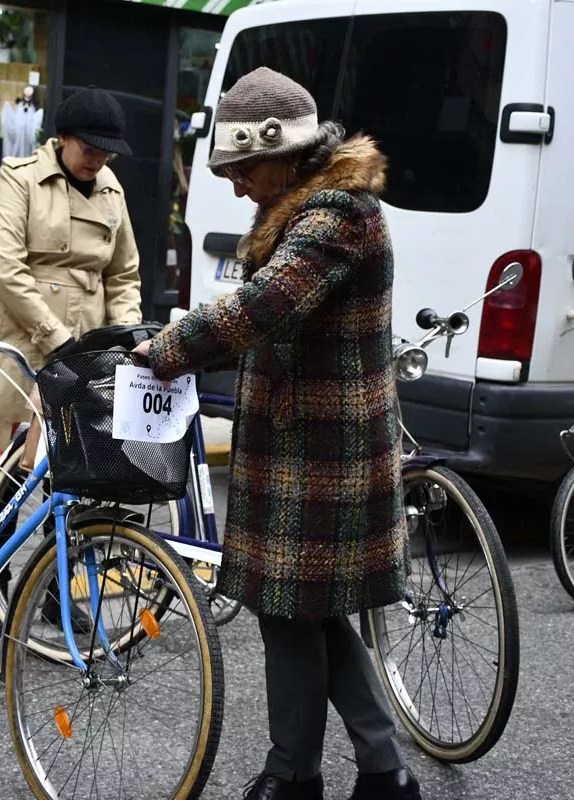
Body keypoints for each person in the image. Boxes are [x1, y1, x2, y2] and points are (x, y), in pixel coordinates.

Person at [133, 67, 421, 800]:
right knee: (302, 613)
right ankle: (367, 773)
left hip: (325, 454)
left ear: (285, 150)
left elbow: (266, 304)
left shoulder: (337, 216)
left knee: (296, 613)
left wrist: (169, 348)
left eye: (243, 168)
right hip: (301, 446)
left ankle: (303, 775)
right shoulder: (312, 208)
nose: (235, 186)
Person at [0, 86, 143, 637]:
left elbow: (124, 273)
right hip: (19, 339)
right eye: (91, 147)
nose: (100, 158)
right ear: (62, 139)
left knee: (76, 470)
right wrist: (55, 337)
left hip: (85, 345)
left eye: (108, 149)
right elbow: (6, 269)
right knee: (8, 471)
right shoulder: (19, 178)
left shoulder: (112, 187)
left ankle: (58, 591)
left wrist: (123, 336)